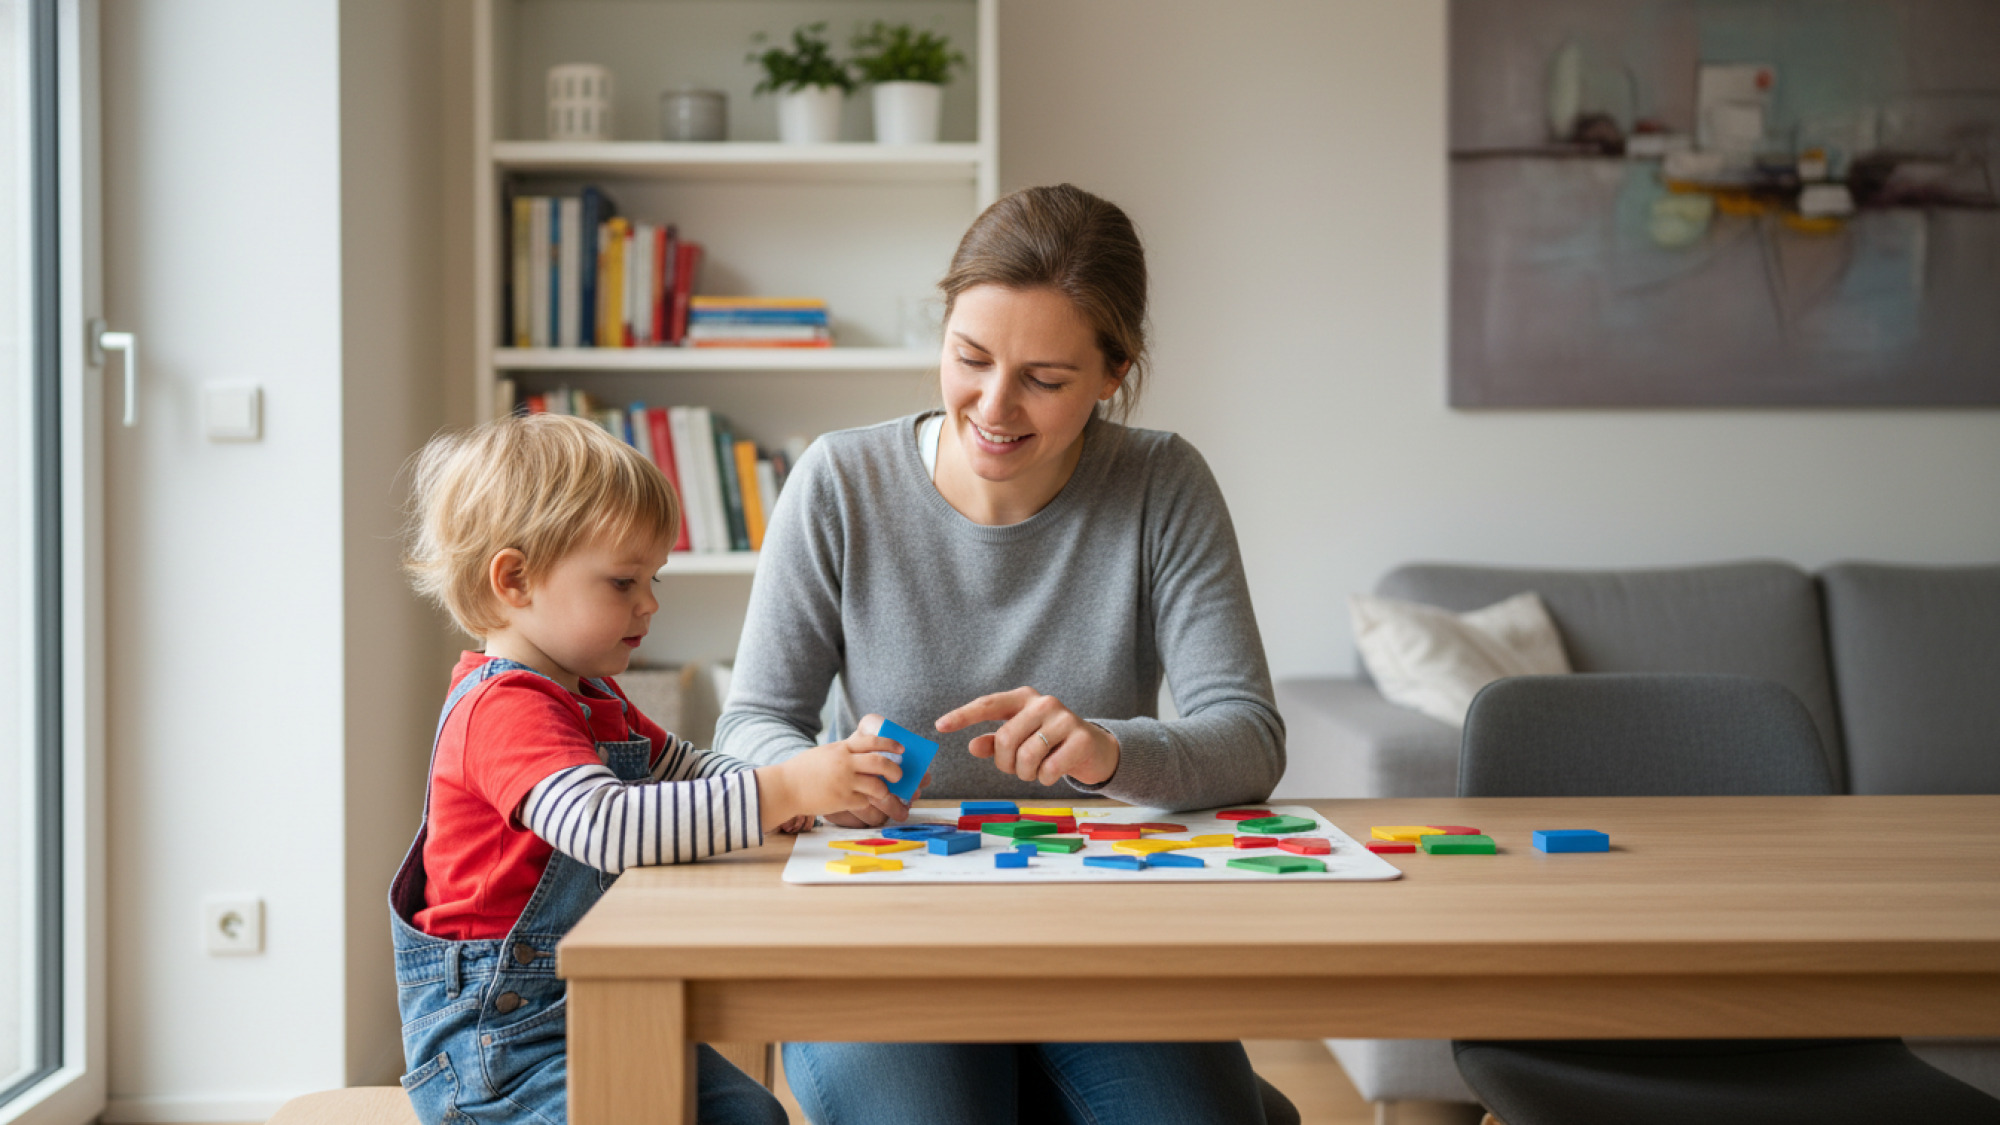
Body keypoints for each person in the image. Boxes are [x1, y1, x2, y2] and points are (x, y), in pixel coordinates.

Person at [715, 184, 1297, 1125]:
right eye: (970, 358)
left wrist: (1108, 751)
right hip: (883, 926)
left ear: (1113, 372)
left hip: (1099, 929)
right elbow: (750, 721)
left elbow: (1250, 737)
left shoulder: (1162, 483)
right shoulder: (839, 480)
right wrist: (811, 776)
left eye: (1045, 379)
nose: (993, 405)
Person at [390, 413, 905, 1125]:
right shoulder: (503, 708)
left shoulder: (591, 693)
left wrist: (801, 796)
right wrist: (784, 786)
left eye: (652, 577)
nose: (650, 602)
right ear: (514, 580)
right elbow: (606, 827)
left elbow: (683, 768)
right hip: (500, 1050)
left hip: (589, 1003)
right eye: (623, 581)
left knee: (754, 1116)